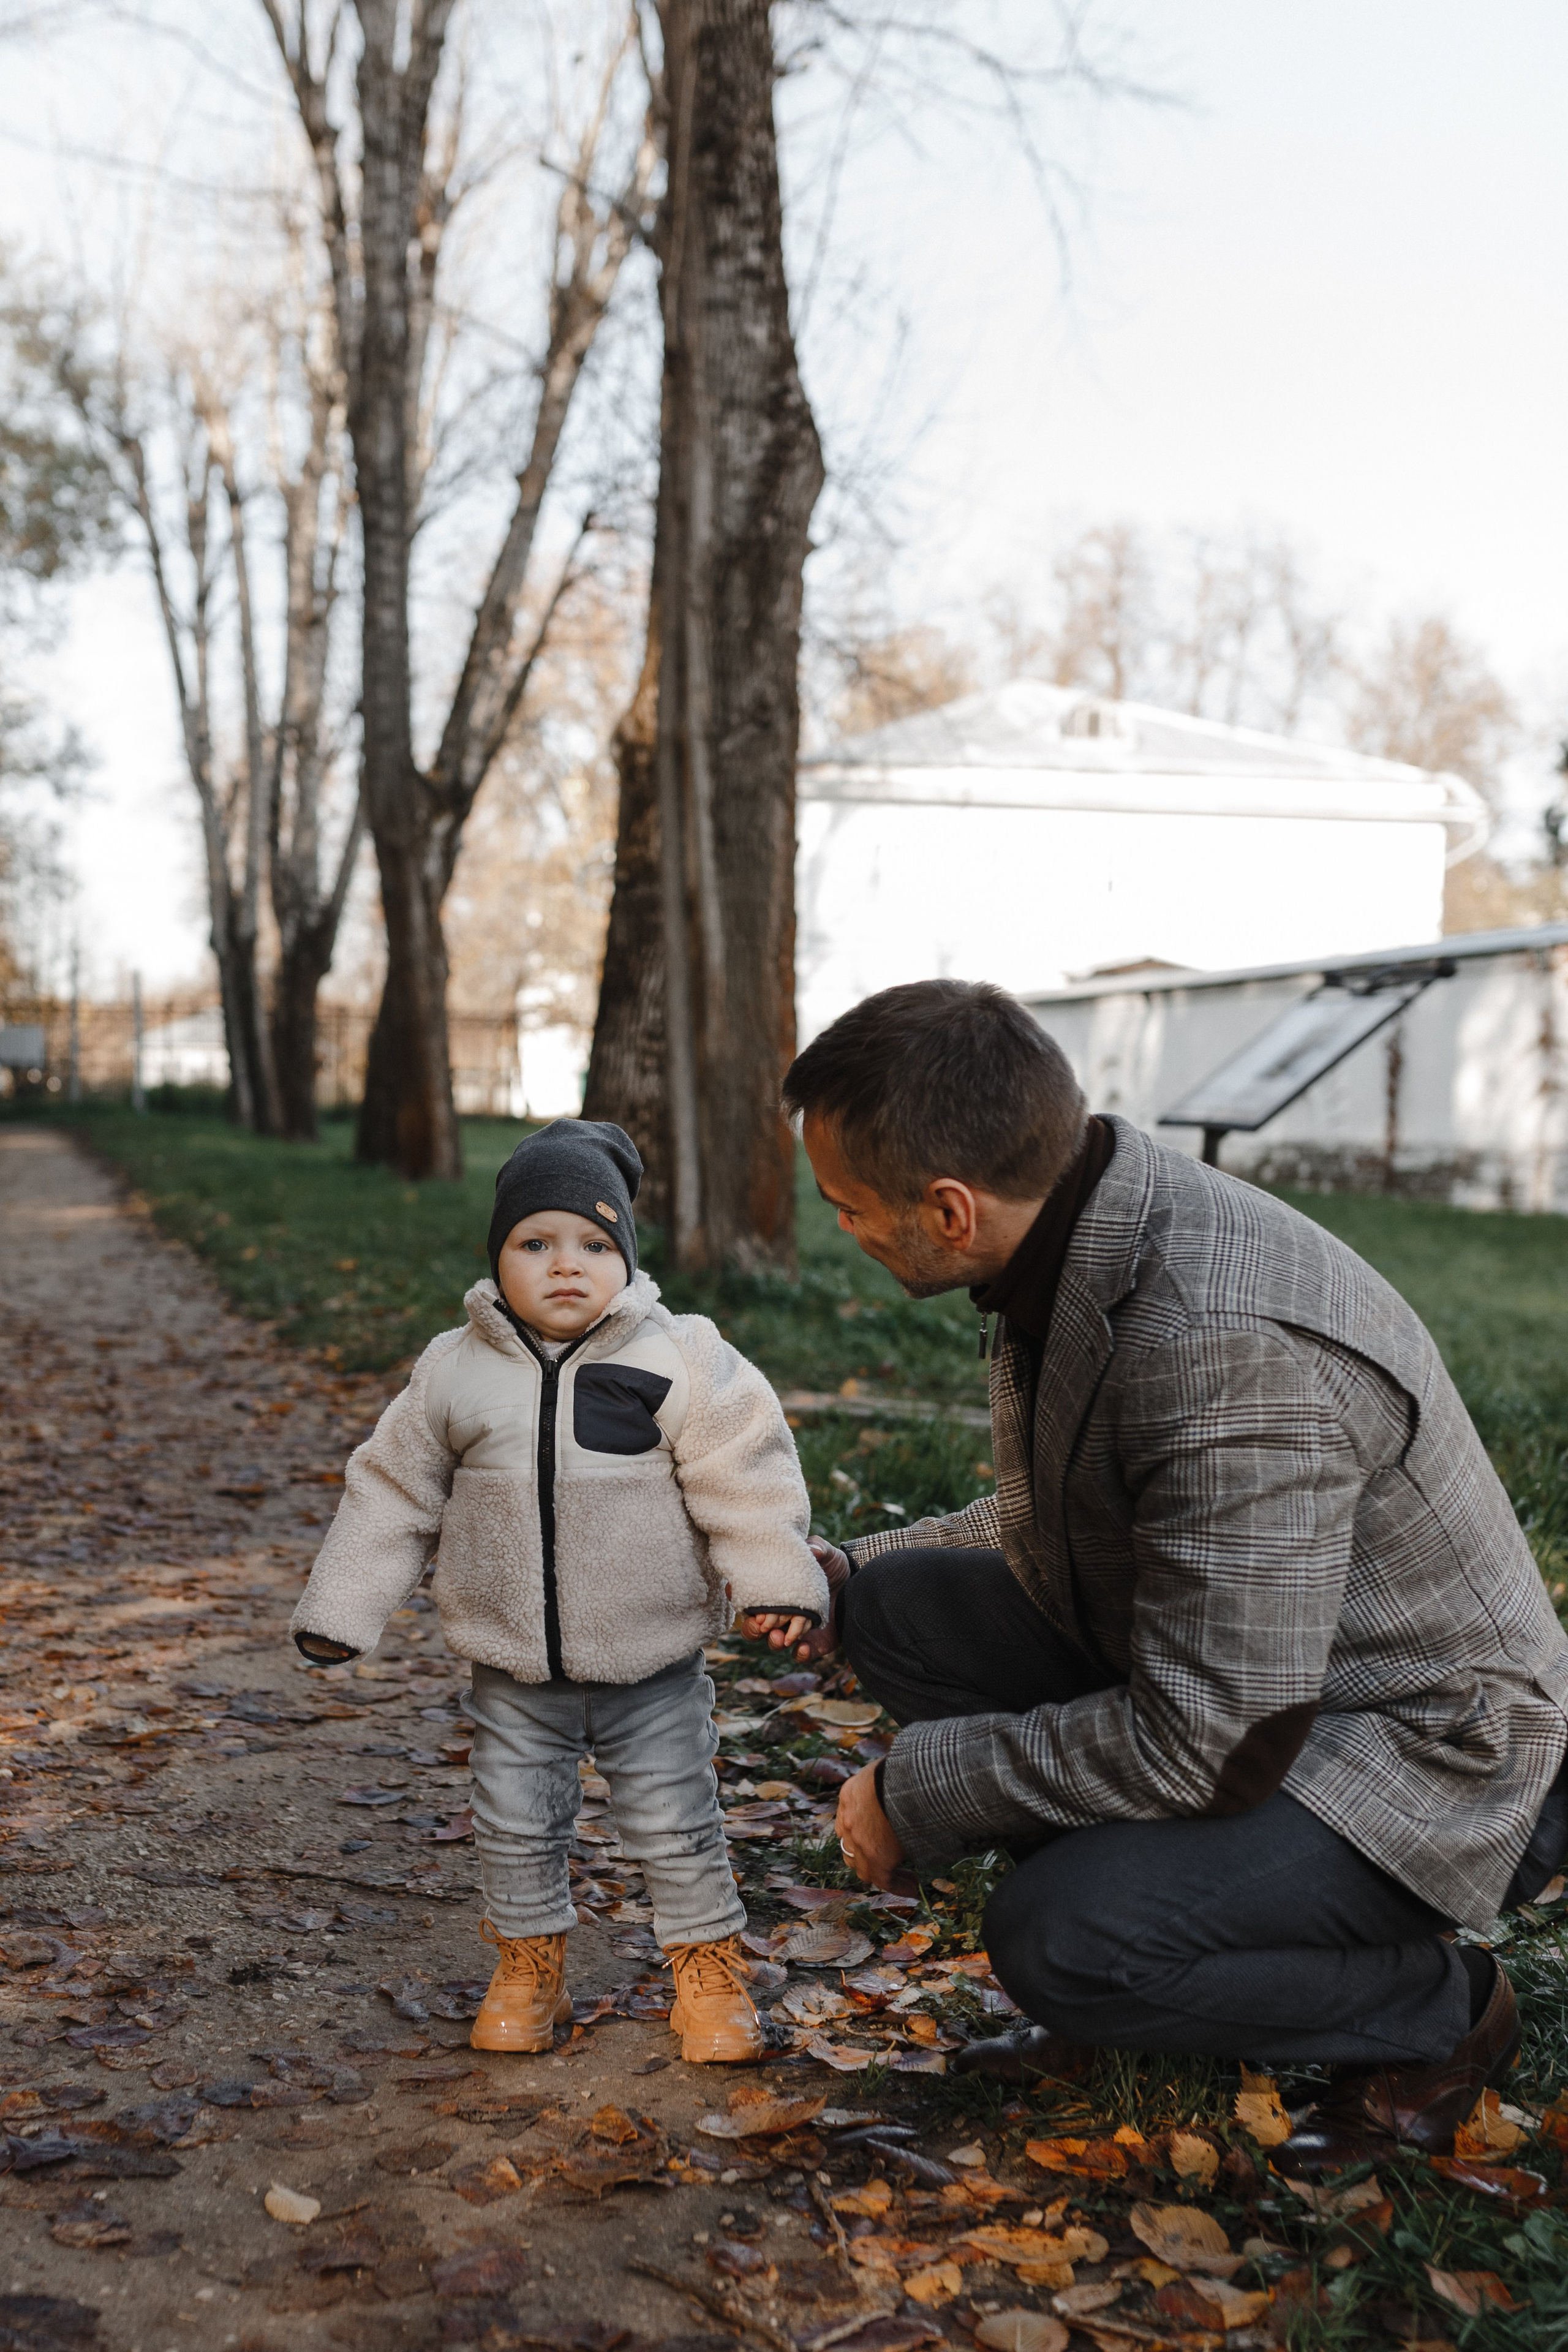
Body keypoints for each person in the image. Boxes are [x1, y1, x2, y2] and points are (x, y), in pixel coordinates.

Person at [752, 979, 1568, 2176]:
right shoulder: (1080, 1225)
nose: (843, 1232)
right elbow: (1058, 1521)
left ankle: (1432, 2010)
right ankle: (1150, 1947)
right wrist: (840, 1569)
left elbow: (1209, 1744)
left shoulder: (1214, 1349)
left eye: (849, 1209)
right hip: (1250, 1684)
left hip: (1413, 1753)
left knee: (1063, 1938)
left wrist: (916, 1790)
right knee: (900, 1609)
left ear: (946, 1208)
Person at [290, 1119, 829, 2065]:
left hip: (652, 1659)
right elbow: (393, 1491)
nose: (565, 1266)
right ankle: (527, 1966)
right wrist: (344, 1609)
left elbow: (746, 1472)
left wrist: (777, 1581)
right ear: (497, 1258)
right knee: (514, 1819)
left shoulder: (682, 1359)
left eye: (593, 1243)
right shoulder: (453, 1370)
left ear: (626, 1253)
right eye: (534, 1244)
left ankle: (707, 1973)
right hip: (512, 1667)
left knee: (673, 1818)